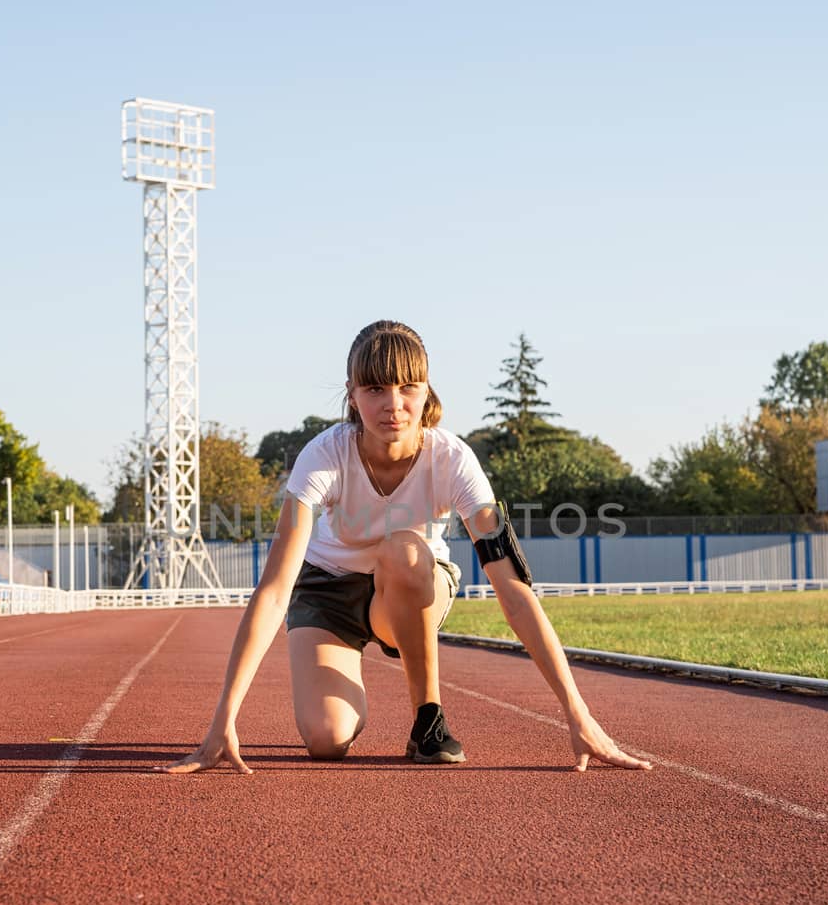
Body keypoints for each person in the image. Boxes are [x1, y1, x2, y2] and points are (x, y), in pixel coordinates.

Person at [160, 320, 652, 774]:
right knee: (327, 741)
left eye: (407, 388)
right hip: (328, 593)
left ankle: (427, 722)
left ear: (426, 392)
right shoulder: (322, 457)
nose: (392, 404)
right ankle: (343, 687)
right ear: (352, 396)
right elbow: (274, 589)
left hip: (411, 588)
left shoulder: (454, 461)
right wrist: (223, 718)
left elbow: (514, 589)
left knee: (404, 548)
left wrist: (577, 713)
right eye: (375, 388)